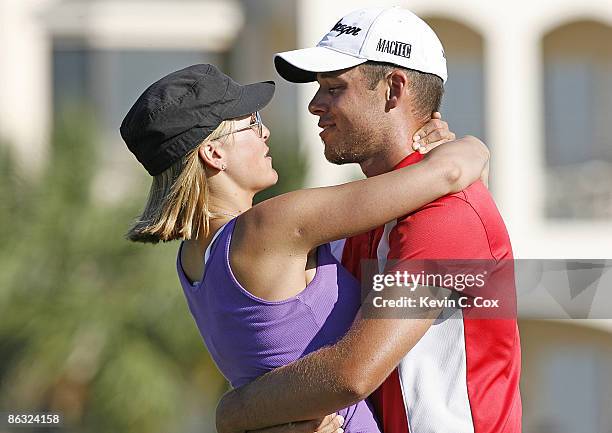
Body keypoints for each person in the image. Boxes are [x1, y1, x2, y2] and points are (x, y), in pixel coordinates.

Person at [120, 64, 489, 433]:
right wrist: (469, 145)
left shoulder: (191, 258)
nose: (265, 132)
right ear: (214, 153)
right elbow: (450, 174)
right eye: (251, 122)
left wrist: (236, 413)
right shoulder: (270, 227)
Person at [215, 7, 521, 433]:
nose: (315, 105)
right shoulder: (365, 214)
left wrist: (235, 412)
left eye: (334, 88)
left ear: (393, 90)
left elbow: (351, 375)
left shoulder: (447, 215)